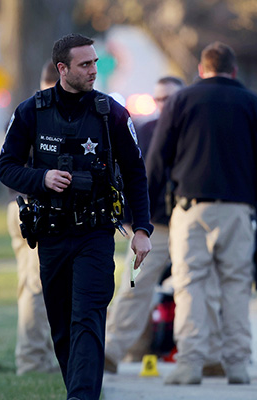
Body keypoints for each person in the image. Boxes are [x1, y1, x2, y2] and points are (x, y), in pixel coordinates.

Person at [0, 34, 152, 400]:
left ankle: (82, 398)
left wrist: (142, 228)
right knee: (62, 324)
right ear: (62, 69)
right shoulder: (32, 111)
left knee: (88, 314)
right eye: (85, 64)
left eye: (95, 63)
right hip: (51, 232)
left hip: (95, 232)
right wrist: (42, 178)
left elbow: (136, 174)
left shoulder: (111, 113)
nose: (93, 71)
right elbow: (6, 167)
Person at [146, 42, 257, 385]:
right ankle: (236, 364)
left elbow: (158, 159)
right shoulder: (254, 104)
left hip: (191, 208)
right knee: (236, 286)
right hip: (239, 210)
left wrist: (143, 208)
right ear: (234, 71)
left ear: (201, 70)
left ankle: (190, 363)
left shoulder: (181, 101)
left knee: (189, 284)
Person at [104, 76, 184, 372]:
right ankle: (112, 351)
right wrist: (131, 220)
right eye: (159, 98)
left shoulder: (194, 130)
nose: (164, 104)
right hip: (154, 225)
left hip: (188, 221)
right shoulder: (145, 130)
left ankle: (204, 353)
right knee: (134, 285)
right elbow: (130, 175)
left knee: (196, 288)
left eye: (170, 98)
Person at [7, 60, 59, 375]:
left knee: (33, 284)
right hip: (32, 209)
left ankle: (41, 356)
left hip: (19, 206)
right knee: (36, 286)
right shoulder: (39, 114)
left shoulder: (24, 111)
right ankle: (32, 359)